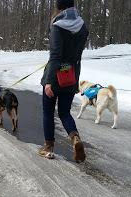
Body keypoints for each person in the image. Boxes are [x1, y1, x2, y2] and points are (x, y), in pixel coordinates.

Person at [39, 0, 89, 163]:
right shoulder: (83, 27)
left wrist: (48, 82)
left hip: (55, 77)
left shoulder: (58, 26)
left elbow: (55, 56)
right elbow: (76, 57)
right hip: (71, 76)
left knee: (48, 112)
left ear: (59, 7)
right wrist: (74, 80)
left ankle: (48, 148)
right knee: (64, 113)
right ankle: (75, 138)